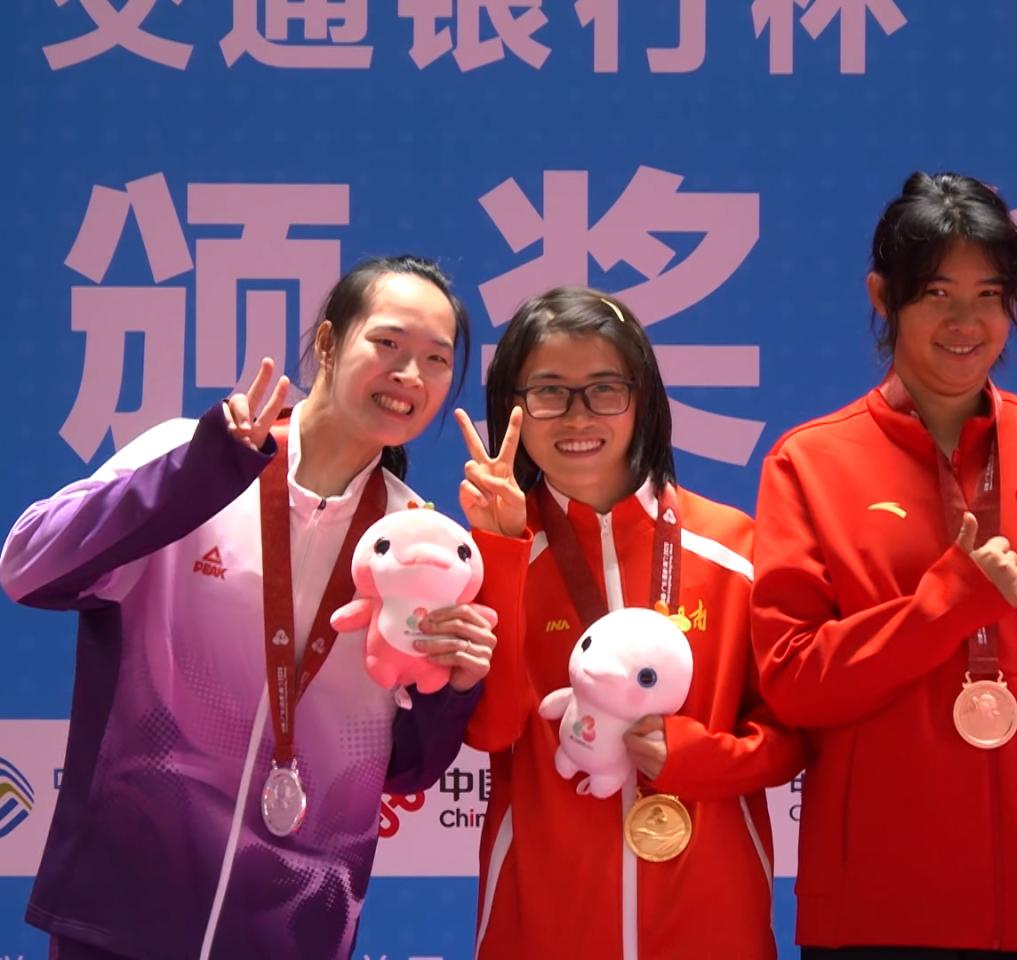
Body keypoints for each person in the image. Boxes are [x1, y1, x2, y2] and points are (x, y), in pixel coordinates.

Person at [1, 255, 510, 960]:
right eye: (388, 344)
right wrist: (196, 480)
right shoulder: (191, 456)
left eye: (435, 359)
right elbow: (29, 569)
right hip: (123, 910)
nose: (409, 375)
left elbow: (408, 769)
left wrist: (453, 689)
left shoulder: (419, 544)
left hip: (294, 931)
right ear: (329, 344)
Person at [750, 172, 1017, 959]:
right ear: (883, 296)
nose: (967, 322)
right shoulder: (810, 462)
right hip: (875, 918)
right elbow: (794, 680)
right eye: (938, 294)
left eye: (990, 295)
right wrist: (947, 603)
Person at [452, 286, 805, 960]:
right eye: (550, 391)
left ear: (641, 397)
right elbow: (490, 729)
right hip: (544, 926)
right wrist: (499, 556)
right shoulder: (490, 552)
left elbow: (794, 735)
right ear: (514, 408)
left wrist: (705, 758)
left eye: (604, 389)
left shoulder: (733, 550)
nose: (578, 416)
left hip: (712, 923)